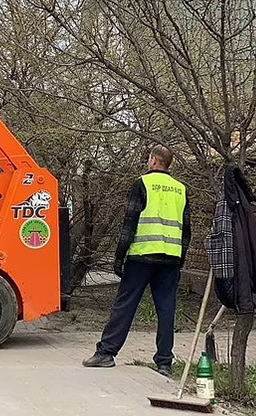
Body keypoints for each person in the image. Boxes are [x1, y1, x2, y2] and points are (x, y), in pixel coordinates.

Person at [82, 144, 191, 377]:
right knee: (166, 309)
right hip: (170, 258)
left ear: (153, 161)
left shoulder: (143, 184)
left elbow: (129, 224)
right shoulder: (181, 189)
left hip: (141, 256)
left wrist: (119, 257)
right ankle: (164, 362)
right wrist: (179, 259)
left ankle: (106, 353)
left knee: (126, 304)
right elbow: (186, 231)